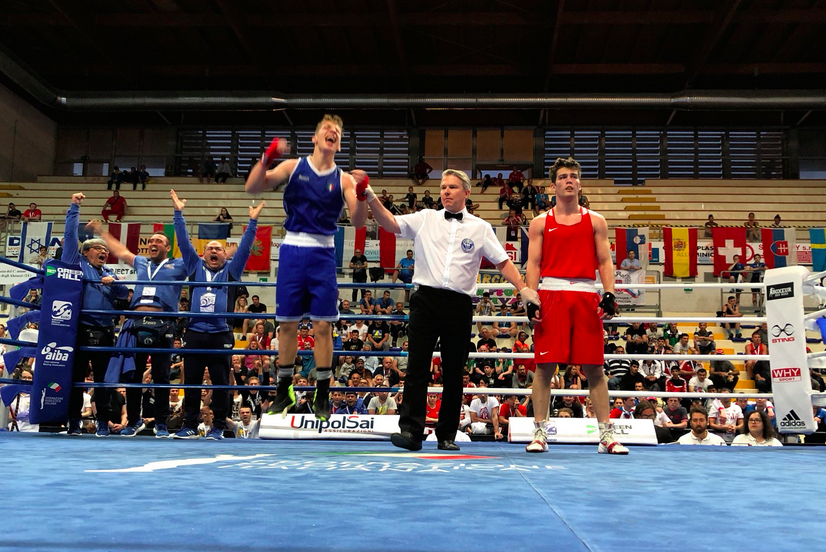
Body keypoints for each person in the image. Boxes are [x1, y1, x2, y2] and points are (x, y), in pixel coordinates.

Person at [362, 168, 537, 452]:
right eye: (443, 187)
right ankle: (411, 432)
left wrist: (523, 288)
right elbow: (391, 223)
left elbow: (503, 262)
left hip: (458, 303)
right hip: (425, 299)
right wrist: (370, 197)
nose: (445, 191)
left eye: (452, 187)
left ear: (466, 193)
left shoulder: (480, 227)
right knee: (417, 366)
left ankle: (446, 435)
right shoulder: (425, 218)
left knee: (454, 371)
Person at [245, 115, 368, 420]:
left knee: (323, 326)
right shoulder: (292, 167)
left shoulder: (344, 179)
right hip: (292, 248)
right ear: (315, 138)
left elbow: (359, 221)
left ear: (339, 143)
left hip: (323, 250)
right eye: (328, 129)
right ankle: (284, 389)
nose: (333, 133)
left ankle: (323, 391)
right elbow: (252, 188)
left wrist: (363, 193)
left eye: (337, 131)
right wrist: (265, 159)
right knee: (286, 324)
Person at [523, 157, 625, 455]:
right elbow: (534, 262)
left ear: (579, 183)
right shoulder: (540, 222)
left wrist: (609, 293)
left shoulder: (596, 220)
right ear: (553, 185)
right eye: (564, 177)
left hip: (584, 294)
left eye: (574, 176)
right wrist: (531, 297)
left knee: (595, 368)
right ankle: (540, 432)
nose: (569, 180)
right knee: (544, 368)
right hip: (551, 294)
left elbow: (605, 261)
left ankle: (606, 435)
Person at [170, 190, 262, 440]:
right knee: (191, 383)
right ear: (203, 254)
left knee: (222, 383)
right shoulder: (194, 266)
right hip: (195, 333)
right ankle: (188, 425)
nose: (213, 251)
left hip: (221, 333)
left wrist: (252, 222)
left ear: (225, 254)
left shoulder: (232, 271)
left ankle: (219, 427)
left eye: (218, 249)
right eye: (209, 248)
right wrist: (179, 213)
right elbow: (183, 241)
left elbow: (245, 247)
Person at [92, 205, 188, 438]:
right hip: (136, 323)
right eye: (151, 240)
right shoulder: (142, 263)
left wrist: (178, 215)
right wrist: (102, 232)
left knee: (161, 375)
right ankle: (134, 420)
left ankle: (162, 424)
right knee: (133, 374)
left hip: (163, 323)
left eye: (158, 240)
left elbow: (188, 249)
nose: (153, 243)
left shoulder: (178, 265)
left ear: (167, 247)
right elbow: (122, 251)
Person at [63, 193, 131, 436]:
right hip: (80, 329)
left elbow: (124, 294)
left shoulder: (109, 271)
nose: (103, 252)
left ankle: (103, 421)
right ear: (86, 253)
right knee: (75, 379)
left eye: (105, 249)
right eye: (98, 249)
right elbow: (71, 238)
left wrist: (114, 283)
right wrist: (74, 207)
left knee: (104, 382)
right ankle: (73, 421)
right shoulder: (77, 264)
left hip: (104, 331)